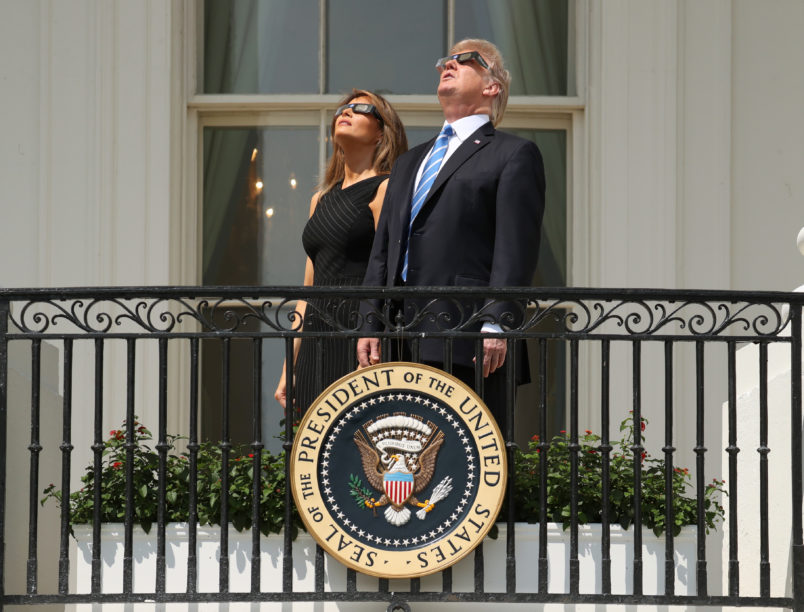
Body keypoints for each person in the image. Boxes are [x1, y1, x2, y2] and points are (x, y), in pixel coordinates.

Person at [356, 39, 546, 428]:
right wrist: (369, 322)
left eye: (467, 59)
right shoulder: (410, 161)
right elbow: (383, 251)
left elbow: (516, 247)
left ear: (493, 86)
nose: (450, 64)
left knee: (469, 468)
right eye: (447, 60)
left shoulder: (512, 154)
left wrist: (498, 322)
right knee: (400, 458)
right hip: (399, 339)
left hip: (469, 339)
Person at [274, 90, 408, 413]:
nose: (345, 112)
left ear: (381, 131)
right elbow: (308, 290)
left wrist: (375, 338)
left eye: (361, 108)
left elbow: (391, 276)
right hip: (317, 337)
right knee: (315, 450)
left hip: (360, 334)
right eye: (343, 108)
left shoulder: (386, 189)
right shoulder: (320, 199)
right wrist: (287, 367)